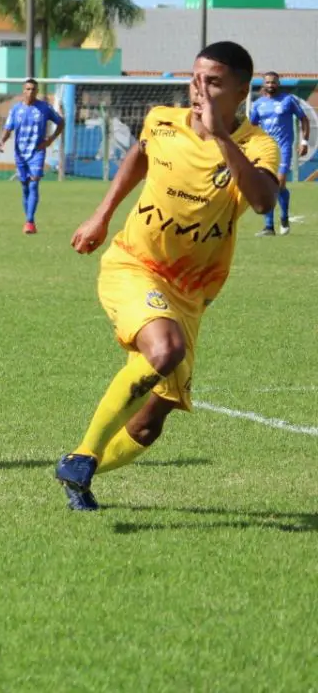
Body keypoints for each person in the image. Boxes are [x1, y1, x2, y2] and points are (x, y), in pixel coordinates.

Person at [55, 41, 280, 511]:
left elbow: (262, 201)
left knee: (150, 423)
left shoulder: (258, 145)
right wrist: (101, 214)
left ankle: (81, 474)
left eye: (213, 81)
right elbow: (138, 156)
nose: (199, 89)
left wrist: (220, 136)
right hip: (134, 265)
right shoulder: (161, 120)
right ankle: (81, 455)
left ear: (241, 91)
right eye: (195, 78)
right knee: (166, 348)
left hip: (192, 294)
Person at [0, 79, 64, 234]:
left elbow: (60, 122)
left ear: (37, 91)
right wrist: (2, 140)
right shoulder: (15, 110)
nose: (30, 92)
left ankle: (29, 222)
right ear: (23, 90)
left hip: (37, 152)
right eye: (27, 89)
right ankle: (28, 219)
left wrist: (51, 139)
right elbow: (8, 128)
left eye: (33, 89)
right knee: (25, 187)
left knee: (34, 184)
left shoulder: (44, 108)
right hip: (20, 153)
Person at [250, 71, 310, 236]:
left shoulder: (288, 100)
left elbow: (304, 119)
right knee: (267, 185)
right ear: (264, 84)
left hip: (283, 148)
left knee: (279, 183)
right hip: (265, 149)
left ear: (278, 83)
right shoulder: (258, 104)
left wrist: (304, 141)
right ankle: (269, 227)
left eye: (273, 82)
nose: (271, 85)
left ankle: (284, 217)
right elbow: (252, 127)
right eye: (268, 82)